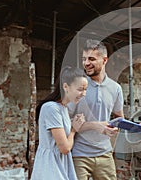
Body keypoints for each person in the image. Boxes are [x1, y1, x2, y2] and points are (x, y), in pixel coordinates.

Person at [70, 39, 124, 180]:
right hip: (79, 155)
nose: (86, 63)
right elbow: (65, 121)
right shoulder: (77, 86)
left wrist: (113, 131)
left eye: (91, 59)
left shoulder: (115, 88)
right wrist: (95, 125)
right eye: (84, 59)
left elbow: (120, 120)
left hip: (105, 155)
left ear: (104, 60)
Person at [31, 66, 88, 180]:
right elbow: (65, 148)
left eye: (86, 89)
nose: (84, 94)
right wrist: (73, 130)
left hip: (60, 164)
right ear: (66, 87)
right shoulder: (51, 108)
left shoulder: (63, 108)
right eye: (80, 89)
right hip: (50, 166)